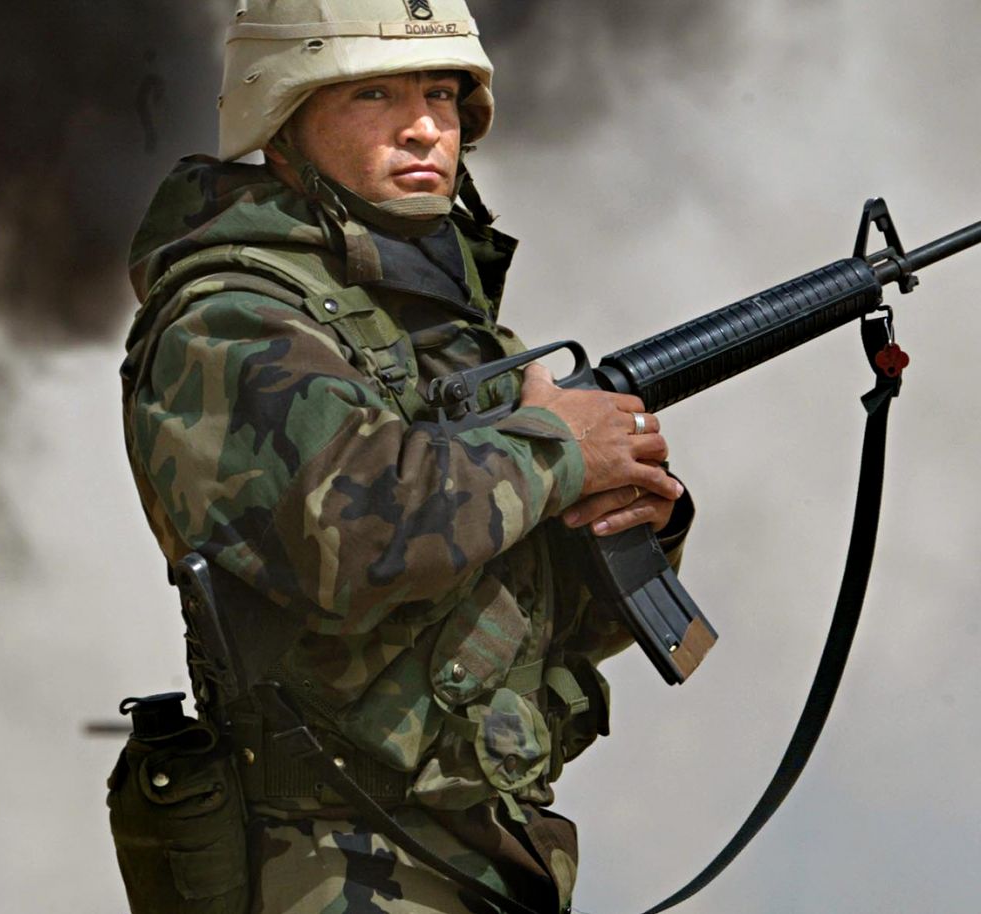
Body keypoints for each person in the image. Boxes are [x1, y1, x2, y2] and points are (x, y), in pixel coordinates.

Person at [117, 1, 693, 910]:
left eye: (442, 94)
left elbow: (534, 619)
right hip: (332, 855)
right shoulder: (231, 319)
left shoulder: (432, 327)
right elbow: (349, 537)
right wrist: (555, 451)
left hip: (483, 847)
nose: (425, 125)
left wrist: (628, 515)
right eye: (374, 93)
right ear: (283, 115)